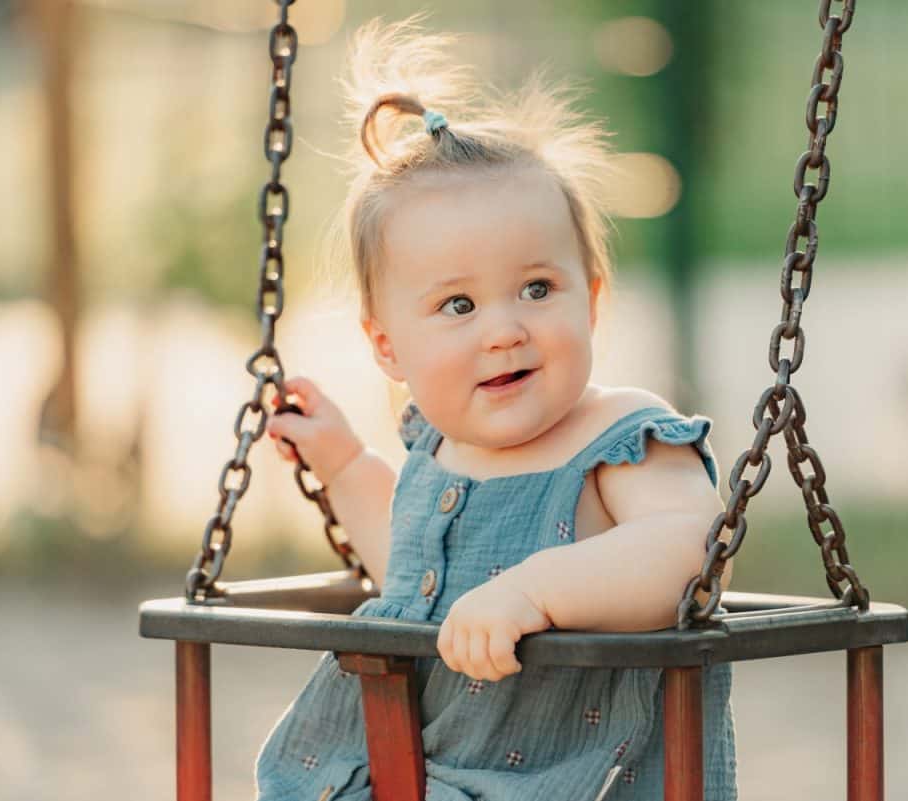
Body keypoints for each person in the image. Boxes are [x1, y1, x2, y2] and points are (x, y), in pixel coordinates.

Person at [256, 16, 736, 801]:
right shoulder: (436, 454)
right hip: (408, 769)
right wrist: (344, 465)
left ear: (593, 298)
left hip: (573, 783)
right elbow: (413, 573)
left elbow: (689, 549)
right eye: (457, 305)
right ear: (387, 348)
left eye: (538, 289)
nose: (505, 329)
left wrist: (533, 590)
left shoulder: (623, 434)